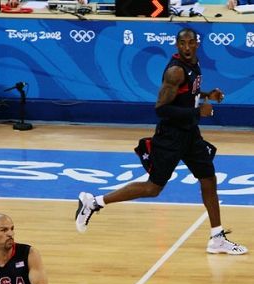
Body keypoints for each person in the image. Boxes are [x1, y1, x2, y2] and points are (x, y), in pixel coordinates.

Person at [75, 28, 247, 255]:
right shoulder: (175, 71)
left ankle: (217, 237)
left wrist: (206, 95)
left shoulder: (193, 64)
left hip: (190, 135)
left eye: (190, 43)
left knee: (208, 178)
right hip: (170, 137)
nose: (186, 47)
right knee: (153, 188)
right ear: (176, 45)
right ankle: (94, 202)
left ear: (197, 44)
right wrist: (198, 113)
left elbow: (187, 94)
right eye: (182, 43)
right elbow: (162, 109)